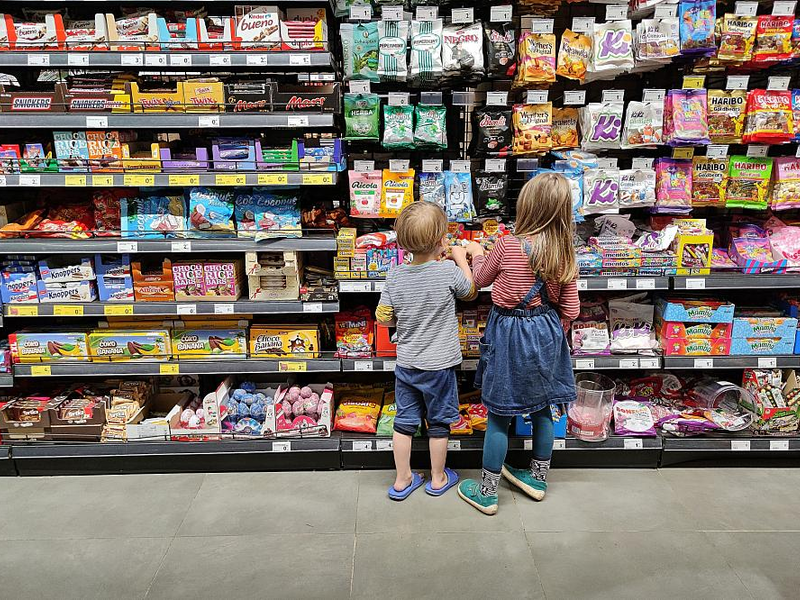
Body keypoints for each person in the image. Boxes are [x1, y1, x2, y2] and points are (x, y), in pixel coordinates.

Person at [457, 172, 580, 515]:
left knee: (499, 414)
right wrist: (552, 329)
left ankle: (487, 492)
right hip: (547, 331)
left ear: (526, 207)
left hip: (509, 332)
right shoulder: (565, 251)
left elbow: (480, 279)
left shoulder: (507, 244)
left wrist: (474, 252)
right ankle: (537, 479)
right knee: (543, 407)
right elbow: (571, 309)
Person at [376, 201, 478, 500]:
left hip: (407, 364)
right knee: (439, 423)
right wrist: (460, 259)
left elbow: (383, 317)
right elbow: (470, 292)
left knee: (404, 422)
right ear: (441, 240)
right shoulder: (447, 271)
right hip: (440, 366)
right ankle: (437, 478)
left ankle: (402, 479)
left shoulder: (395, 275)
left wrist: (405, 318)